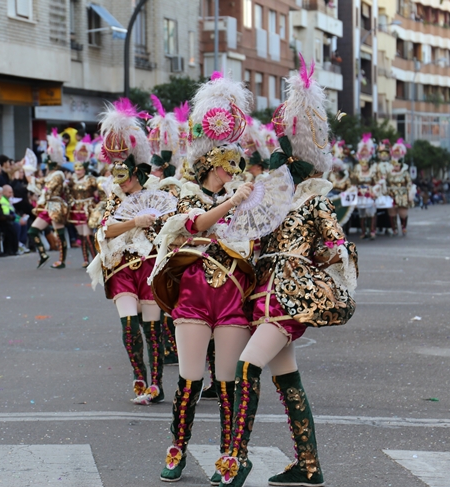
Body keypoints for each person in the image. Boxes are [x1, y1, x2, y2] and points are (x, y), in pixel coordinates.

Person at [215, 58, 358, 487]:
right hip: (263, 294)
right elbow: (248, 240)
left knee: (246, 367)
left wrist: (328, 255)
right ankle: (309, 466)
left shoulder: (315, 202)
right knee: (287, 376)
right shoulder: (267, 205)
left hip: (289, 296)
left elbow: (338, 246)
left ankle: (236, 459)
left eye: (282, 166)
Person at [149, 72, 256, 482]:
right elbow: (193, 226)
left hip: (231, 298)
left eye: (237, 161)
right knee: (191, 379)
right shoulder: (181, 191)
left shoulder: (245, 200)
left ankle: (230, 456)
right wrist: (232, 202)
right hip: (193, 297)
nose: (235, 168)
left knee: (227, 384)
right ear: (211, 162)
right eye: (228, 162)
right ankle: (177, 449)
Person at [86, 98, 170, 406]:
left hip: (149, 265)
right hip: (122, 265)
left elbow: (169, 229)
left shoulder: (158, 192)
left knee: (153, 327)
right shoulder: (114, 195)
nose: (122, 176)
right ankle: (139, 375)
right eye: (118, 171)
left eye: (127, 171)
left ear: (138, 168)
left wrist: (153, 222)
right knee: (128, 324)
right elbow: (105, 230)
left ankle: (157, 383)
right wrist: (133, 220)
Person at [28, 130, 70, 268]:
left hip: (56, 205)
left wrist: (39, 187)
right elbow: (40, 184)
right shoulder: (51, 174)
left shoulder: (58, 175)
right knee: (33, 231)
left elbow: (48, 189)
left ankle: (62, 260)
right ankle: (43, 254)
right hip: (47, 206)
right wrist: (28, 175)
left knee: (59, 233)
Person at [66, 135, 98, 267]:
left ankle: (96, 260)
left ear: (85, 168)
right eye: (76, 168)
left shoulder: (90, 179)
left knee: (87, 235)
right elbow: (68, 194)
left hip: (87, 208)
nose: (78, 170)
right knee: (81, 236)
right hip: (76, 208)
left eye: (80, 168)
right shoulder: (72, 180)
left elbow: (97, 193)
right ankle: (86, 259)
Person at [352, 134, 380, 240]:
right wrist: (355, 191)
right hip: (360, 194)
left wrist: (374, 192)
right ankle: (364, 231)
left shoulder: (374, 169)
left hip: (370, 193)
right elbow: (353, 182)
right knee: (362, 214)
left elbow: (378, 182)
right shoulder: (356, 169)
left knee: (371, 212)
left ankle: (372, 230)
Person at [386, 138, 413, 236]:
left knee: (403, 213)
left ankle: (403, 227)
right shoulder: (389, 173)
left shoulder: (405, 173)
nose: (395, 166)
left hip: (402, 194)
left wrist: (410, 194)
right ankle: (394, 229)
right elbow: (385, 182)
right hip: (391, 194)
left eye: (397, 165)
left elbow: (409, 183)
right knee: (392, 213)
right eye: (394, 165)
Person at [0, 186, 19, 256]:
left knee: (12, 229)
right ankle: (2, 250)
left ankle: (11, 249)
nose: (1, 195)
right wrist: (9, 217)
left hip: (2, 220)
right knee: (9, 229)